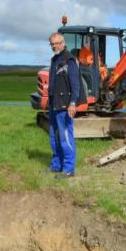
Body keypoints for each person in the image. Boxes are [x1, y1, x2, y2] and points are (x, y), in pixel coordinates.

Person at [47, 32, 80, 178]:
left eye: (57, 43)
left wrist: (72, 102)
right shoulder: (55, 60)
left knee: (65, 137)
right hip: (54, 104)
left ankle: (68, 169)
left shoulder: (70, 61)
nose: (54, 46)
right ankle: (57, 165)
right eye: (52, 44)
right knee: (54, 136)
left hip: (65, 105)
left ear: (63, 43)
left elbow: (75, 84)